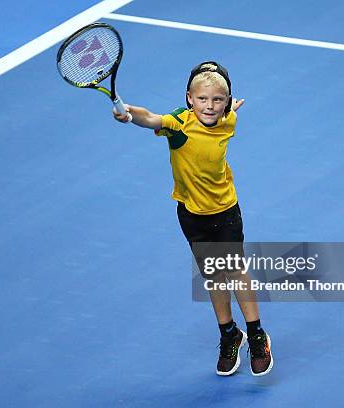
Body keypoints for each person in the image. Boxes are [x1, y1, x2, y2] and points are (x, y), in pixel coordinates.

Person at [113, 61, 273, 376]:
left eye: (217, 100)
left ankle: (256, 334)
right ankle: (229, 334)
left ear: (227, 102)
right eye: (202, 99)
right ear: (189, 98)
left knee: (235, 271)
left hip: (225, 211)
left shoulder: (229, 119)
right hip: (191, 214)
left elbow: (229, 108)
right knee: (213, 277)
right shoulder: (178, 124)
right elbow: (150, 117)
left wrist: (231, 105)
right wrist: (129, 113)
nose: (209, 106)